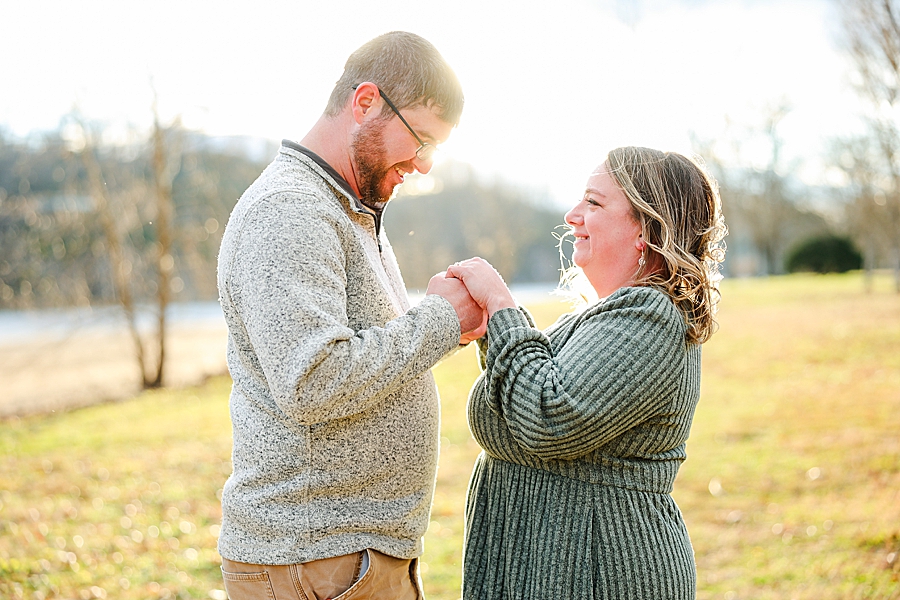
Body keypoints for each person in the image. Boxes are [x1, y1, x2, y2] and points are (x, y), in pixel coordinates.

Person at [215, 32, 486, 600]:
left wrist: (442, 322)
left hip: (344, 560)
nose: (425, 165)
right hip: (313, 561)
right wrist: (437, 321)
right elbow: (313, 379)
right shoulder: (290, 210)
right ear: (365, 102)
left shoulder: (345, 207)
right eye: (420, 138)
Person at [446, 146, 727, 599]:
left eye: (593, 203)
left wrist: (503, 307)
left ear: (647, 229)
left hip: (599, 572)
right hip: (550, 566)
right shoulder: (602, 316)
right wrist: (491, 332)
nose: (572, 214)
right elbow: (526, 405)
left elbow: (549, 417)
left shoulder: (647, 315)